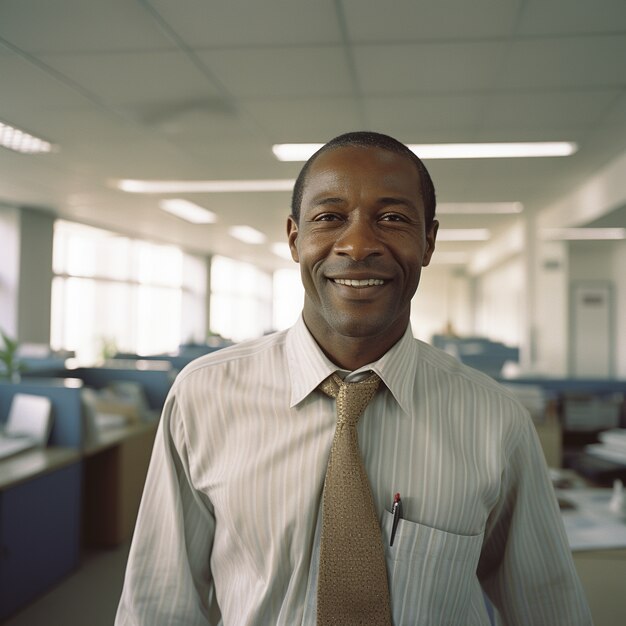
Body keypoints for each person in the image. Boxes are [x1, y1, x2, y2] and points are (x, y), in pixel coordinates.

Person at [116, 131, 592, 625]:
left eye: (392, 218)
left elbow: (549, 608)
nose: (359, 244)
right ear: (295, 238)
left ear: (428, 240)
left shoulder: (495, 420)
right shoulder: (203, 397)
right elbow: (158, 605)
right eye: (329, 218)